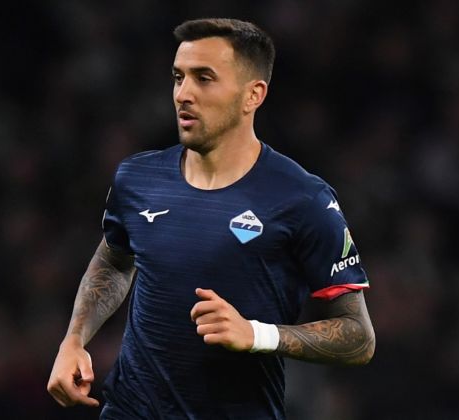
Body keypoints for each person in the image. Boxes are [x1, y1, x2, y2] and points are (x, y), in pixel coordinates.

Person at [47, 18, 375, 419]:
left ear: (252, 95)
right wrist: (74, 340)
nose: (183, 94)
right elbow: (114, 262)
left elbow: (358, 338)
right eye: (178, 77)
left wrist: (257, 334)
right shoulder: (138, 178)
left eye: (204, 78)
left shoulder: (303, 199)